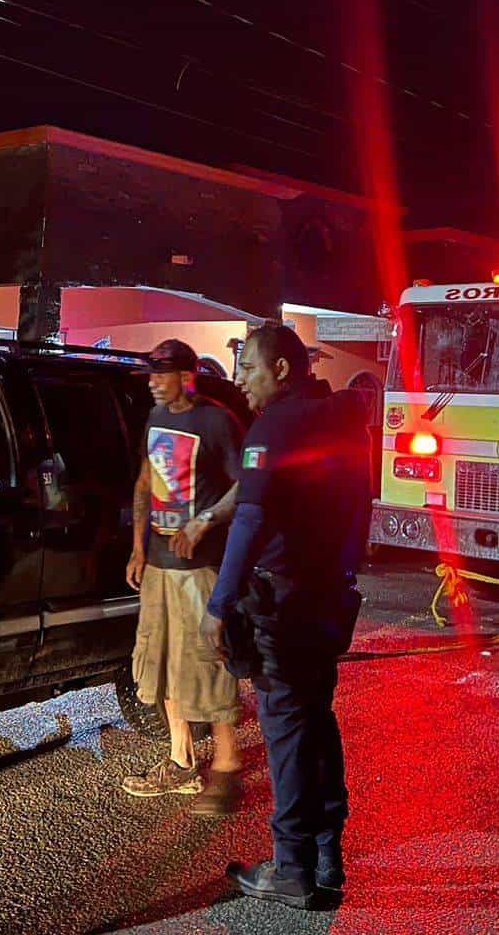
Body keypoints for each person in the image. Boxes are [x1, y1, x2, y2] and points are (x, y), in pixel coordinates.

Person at [201, 321, 372, 909]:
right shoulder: (342, 420)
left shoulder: (274, 426)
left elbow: (250, 519)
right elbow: (360, 512)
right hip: (328, 597)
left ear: (280, 370)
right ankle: (327, 855)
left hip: (283, 602)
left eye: (247, 366)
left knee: (287, 733)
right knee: (316, 722)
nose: (238, 379)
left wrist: (219, 605)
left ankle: (292, 867)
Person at [121, 339, 246, 813]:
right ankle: (181, 763)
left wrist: (205, 521)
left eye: (161, 374)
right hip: (158, 564)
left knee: (206, 661)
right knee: (162, 660)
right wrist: (138, 548)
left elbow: (245, 485)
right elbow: (145, 481)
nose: (152, 384)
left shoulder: (217, 422)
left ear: (186, 376)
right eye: (150, 375)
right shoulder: (156, 419)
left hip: (200, 568)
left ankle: (228, 765)